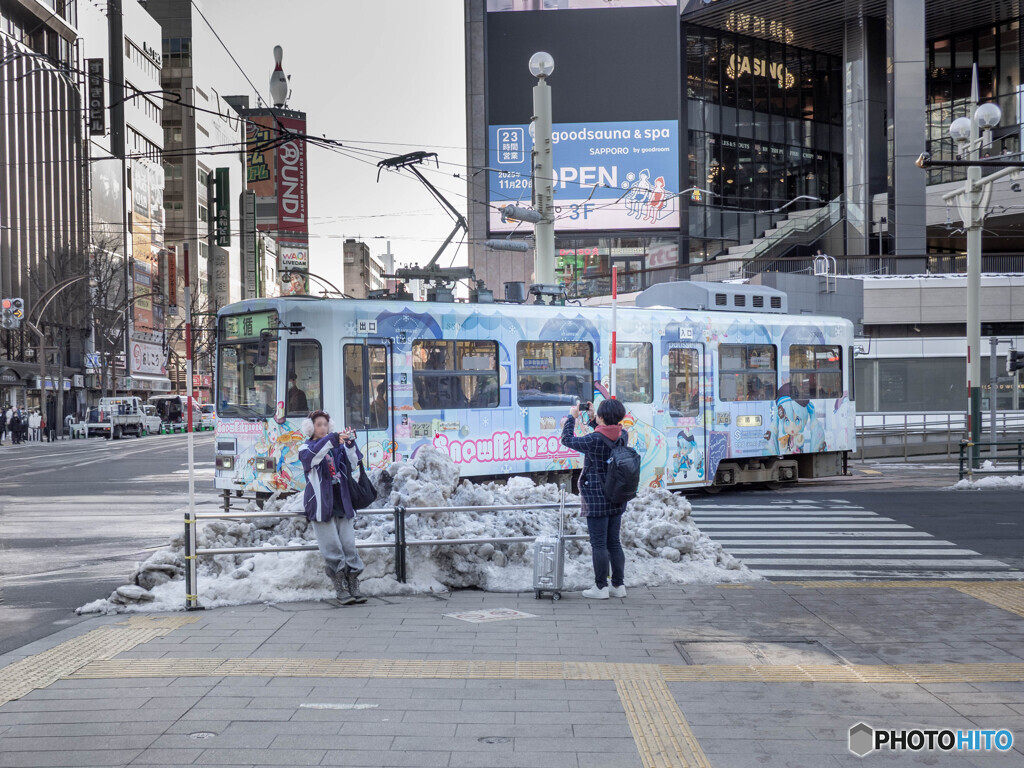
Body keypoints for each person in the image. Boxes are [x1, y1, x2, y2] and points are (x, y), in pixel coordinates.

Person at [560, 398, 629, 600]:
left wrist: (572, 419)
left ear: (602, 417)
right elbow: (606, 434)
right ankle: (618, 585)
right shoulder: (623, 435)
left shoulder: (594, 440)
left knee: (599, 544)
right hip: (617, 495)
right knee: (614, 543)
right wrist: (593, 420)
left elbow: (568, 440)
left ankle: (600, 587)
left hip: (597, 497)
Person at [299, 410, 367, 605]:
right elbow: (312, 458)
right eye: (318, 425)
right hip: (321, 506)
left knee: (348, 545)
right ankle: (341, 588)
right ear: (311, 428)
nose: (323, 428)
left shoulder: (336, 448)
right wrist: (332, 439)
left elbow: (354, 463)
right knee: (332, 548)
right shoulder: (306, 447)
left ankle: (353, 583)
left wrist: (350, 444)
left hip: (343, 503)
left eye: (325, 424)